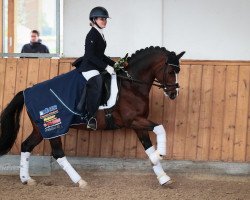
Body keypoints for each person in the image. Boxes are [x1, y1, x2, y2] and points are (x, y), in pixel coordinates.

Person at [73, 6, 116, 130]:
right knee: (97, 80)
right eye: (102, 19)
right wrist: (106, 66)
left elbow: (100, 55)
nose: (105, 21)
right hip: (88, 67)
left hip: (96, 65)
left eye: (105, 19)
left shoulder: (100, 33)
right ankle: (90, 117)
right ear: (94, 19)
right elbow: (90, 56)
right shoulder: (92, 34)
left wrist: (114, 64)